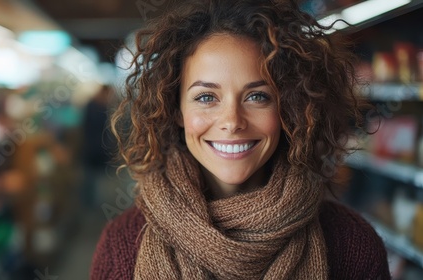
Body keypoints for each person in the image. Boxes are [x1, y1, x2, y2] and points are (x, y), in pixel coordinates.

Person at [91, 0, 391, 279]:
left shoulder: (351, 244)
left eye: (257, 96)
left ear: (288, 108)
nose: (232, 121)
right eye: (206, 97)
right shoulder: (123, 245)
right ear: (176, 110)